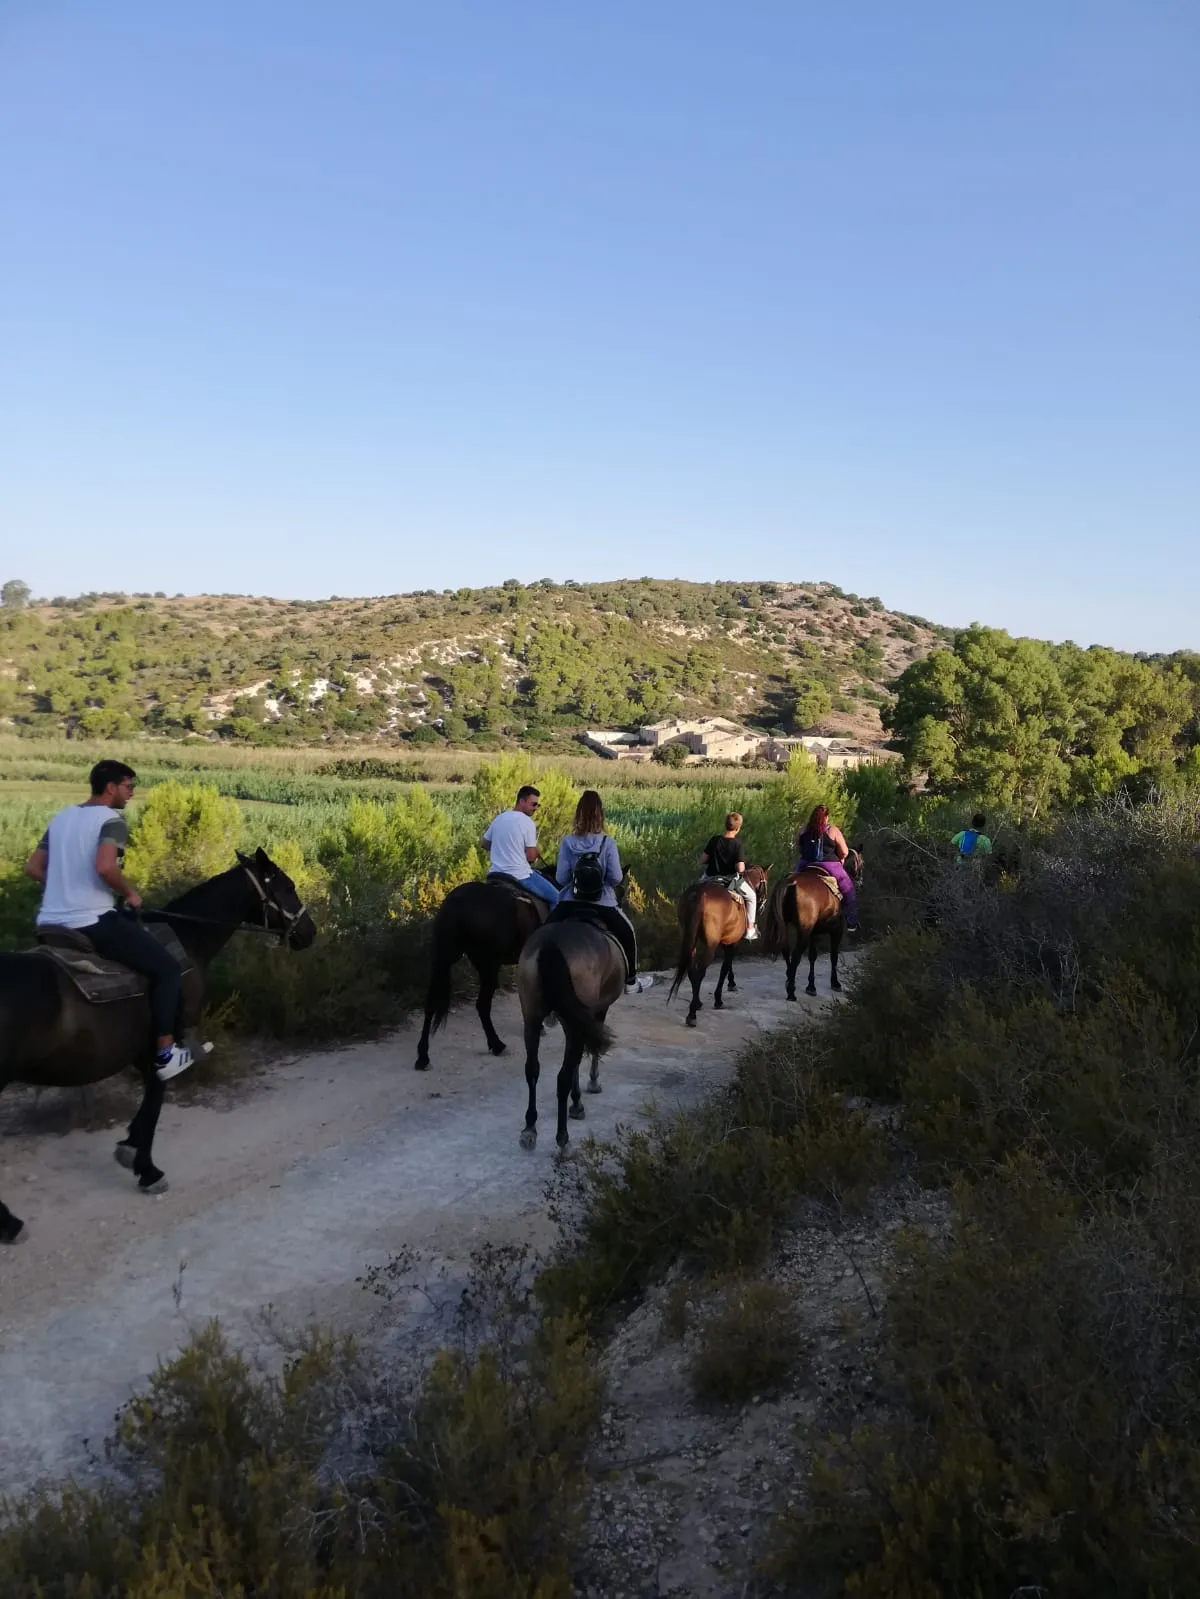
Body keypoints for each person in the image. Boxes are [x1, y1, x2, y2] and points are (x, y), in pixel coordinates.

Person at [24, 759, 194, 1080]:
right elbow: (105, 868)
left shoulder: (61, 818)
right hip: (91, 921)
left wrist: (64, 887)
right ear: (111, 787)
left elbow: (33, 868)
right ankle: (166, 1054)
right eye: (129, 786)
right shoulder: (111, 820)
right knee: (168, 970)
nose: (132, 793)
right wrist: (130, 893)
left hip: (49, 922)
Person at [549, 790, 654, 995]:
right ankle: (631, 981)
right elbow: (616, 878)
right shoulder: (607, 843)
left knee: (543, 933)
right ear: (600, 814)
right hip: (602, 902)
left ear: (578, 813)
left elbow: (561, 878)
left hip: (571, 901)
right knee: (627, 932)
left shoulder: (568, 842)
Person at [481, 784, 560, 905]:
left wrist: (503, 848)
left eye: (538, 805)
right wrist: (535, 853)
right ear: (521, 801)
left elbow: (484, 843)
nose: (536, 808)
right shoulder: (527, 822)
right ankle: (552, 925)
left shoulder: (499, 818)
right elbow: (531, 857)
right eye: (533, 804)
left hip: (495, 874)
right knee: (558, 899)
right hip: (520, 875)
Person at [794, 804, 859, 932]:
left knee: (793, 882)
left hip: (805, 863)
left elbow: (799, 848)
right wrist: (840, 858)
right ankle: (851, 922)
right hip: (829, 865)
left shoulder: (802, 830)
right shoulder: (832, 830)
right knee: (849, 890)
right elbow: (845, 852)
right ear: (826, 817)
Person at [700, 811, 759, 939]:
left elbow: (703, 860)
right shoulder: (737, 844)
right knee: (752, 897)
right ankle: (750, 929)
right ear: (738, 828)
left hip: (709, 878)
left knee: (695, 891)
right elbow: (740, 868)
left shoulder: (714, 840)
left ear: (725, 825)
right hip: (729, 880)